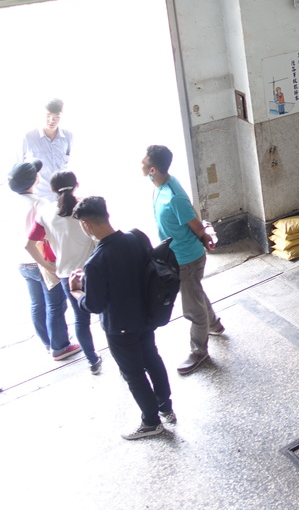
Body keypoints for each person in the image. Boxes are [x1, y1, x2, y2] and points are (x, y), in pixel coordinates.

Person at [69, 196, 175, 440]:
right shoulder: (136, 237)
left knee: (134, 374)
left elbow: (93, 304)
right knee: (152, 358)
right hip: (146, 317)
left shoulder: (95, 262)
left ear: (86, 224)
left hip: (120, 328)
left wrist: (77, 290)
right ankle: (166, 406)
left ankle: (151, 422)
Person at [141, 145, 222, 375]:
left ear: (153, 169)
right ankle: (214, 325)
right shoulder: (159, 184)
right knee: (194, 292)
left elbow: (195, 224)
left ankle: (199, 351)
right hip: (176, 256)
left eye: (144, 162)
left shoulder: (173, 196)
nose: (141, 165)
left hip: (186, 260)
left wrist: (206, 238)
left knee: (192, 309)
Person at [32, 170, 102, 374]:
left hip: (67, 276)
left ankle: (92, 360)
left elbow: (29, 244)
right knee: (107, 313)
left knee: (81, 320)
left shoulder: (45, 214)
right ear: (76, 185)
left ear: (52, 190)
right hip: (93, 269)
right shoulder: (86, 206)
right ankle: (120, 355)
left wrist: (47, 266)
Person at [10, 158, 77, 361]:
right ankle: (60, 346)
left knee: (36, 304)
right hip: (40, 260)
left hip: (22, 262)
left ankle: (49, 342)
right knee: (55, 304)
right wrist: (48, 263)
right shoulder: (40, 204)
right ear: (34, 180)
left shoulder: (10, 202)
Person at [21, 99, 73, 200]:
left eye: (57, 116)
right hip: (37, 198)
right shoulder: (28, 137)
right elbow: (18, 167)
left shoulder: (68, 136)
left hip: (60, 197)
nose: (52, 120)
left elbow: (66, 164)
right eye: (48, 115)